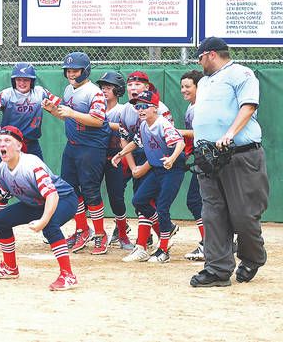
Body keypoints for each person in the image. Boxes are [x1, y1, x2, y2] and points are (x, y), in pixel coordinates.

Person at [190, 37, 268, 287]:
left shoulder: (241, 73)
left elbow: (249, 106)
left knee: (244, 215)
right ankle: (217, 269)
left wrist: (229, 134)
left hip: (240, 154)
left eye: (200, 58)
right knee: (213, 213)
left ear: (211, 54)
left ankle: (252, 257)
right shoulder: (203, 82)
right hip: (208, 157)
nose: (199, 63)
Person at [0, 126, 79, 290]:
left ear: (19, 146)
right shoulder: (3, 168)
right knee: (0, 220)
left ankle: (68, 275)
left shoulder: (31, 164)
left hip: (64, 199)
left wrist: (43, 220)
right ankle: (10, 268)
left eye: (7, 140)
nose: (2, 144)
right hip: (37, 203)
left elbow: (52, 195)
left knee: (49, 226)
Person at [0, 63, 60, 249]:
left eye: (26, 79)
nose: (22, 82)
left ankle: (47, 228)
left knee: (43, 189)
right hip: (10, 147)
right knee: (2, 190)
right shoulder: (6, 95)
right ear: (14, 81)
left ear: (32, 81)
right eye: (19, 79)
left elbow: (59, 107)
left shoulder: (40, 93)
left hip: (31, 144)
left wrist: (51, 107)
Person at [43, 51, 109, 255]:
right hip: (73, 145)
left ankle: (100, 234)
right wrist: (54, 111)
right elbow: (68, 118)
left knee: (90, 191)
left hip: (91, 147)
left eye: (75, 70)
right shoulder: (69, 90)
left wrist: (71, 112)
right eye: (68, 70)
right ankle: (82, 230)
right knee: (70, 189)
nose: (71, 74)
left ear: (85, 70)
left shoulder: (94, 92)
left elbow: (98, 120)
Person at [112, 90, 186, 263]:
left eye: (145, 106)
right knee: (139, 200)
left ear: (155, 108)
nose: (141, 110)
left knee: (162, 206)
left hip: (172, 170)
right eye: (138, 107)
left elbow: (180, 142)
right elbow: (136, 142)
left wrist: (172, 158)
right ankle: (166, 227)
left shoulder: (162, 124)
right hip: (158, 170)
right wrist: (121, 154)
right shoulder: (144, 125)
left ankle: (163, 250)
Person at [95, 71, 133, 250]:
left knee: (116, 197)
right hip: (95, 155)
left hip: (115, 157)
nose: (104, 90)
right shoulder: (96, 108)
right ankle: (97, 234)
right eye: (102, 87)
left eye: (108, 87)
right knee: (91, 194)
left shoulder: (123, 109)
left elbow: (128, 130)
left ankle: (123, 235)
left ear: (118, 90)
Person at [177, 70, 206, 261]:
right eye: (182, 86)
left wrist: (179, 132)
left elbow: (203, 132)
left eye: (188, 86)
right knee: (201, 202)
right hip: (198, 157)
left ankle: (209, 244)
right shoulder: (191, 107)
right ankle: (215, 242)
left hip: (207, 158)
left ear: (198, 87)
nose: (183, 90)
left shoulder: (201, 107)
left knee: (195, 201)